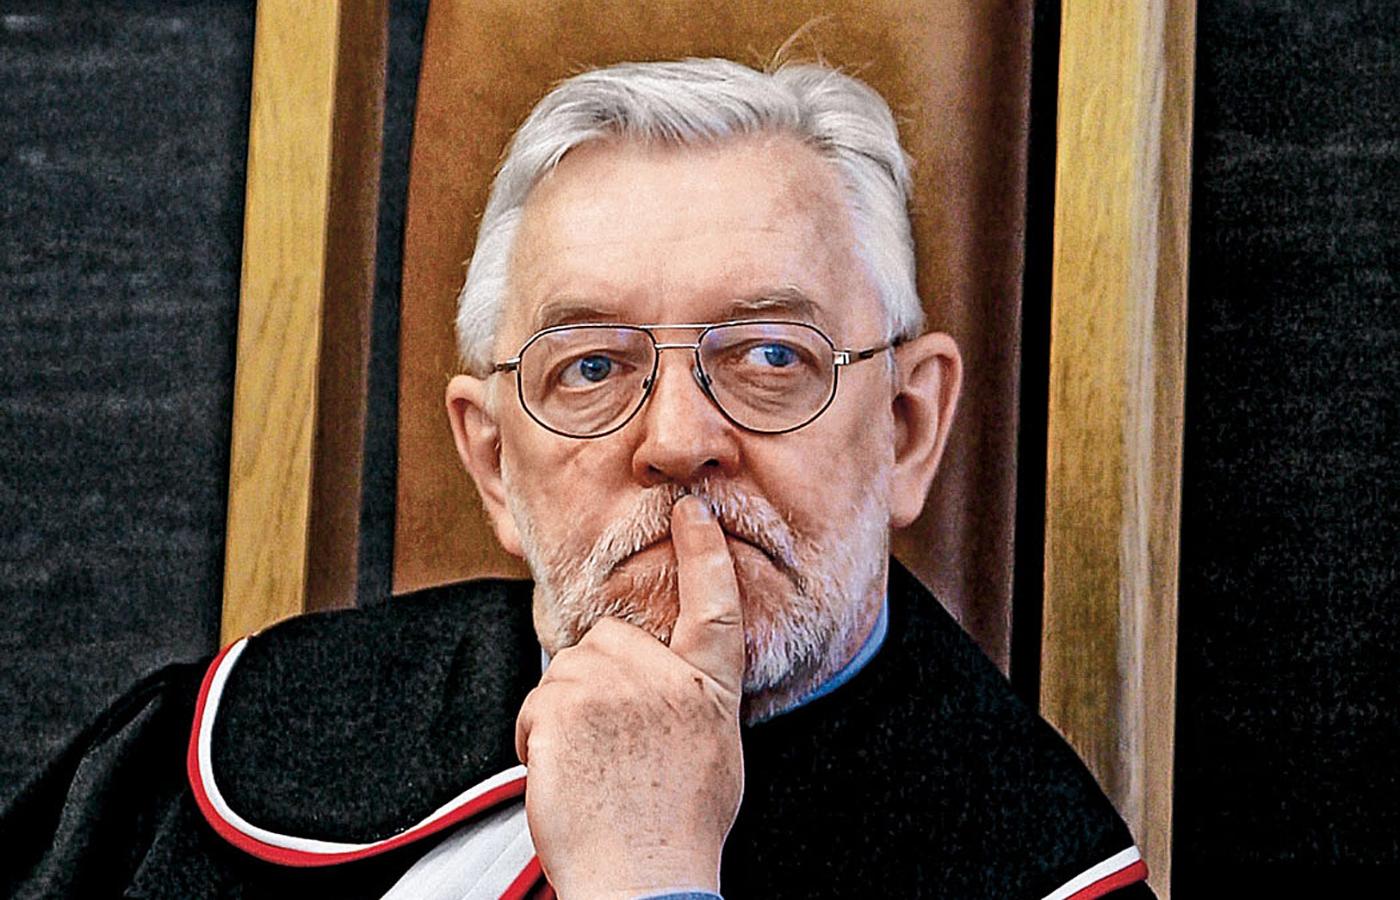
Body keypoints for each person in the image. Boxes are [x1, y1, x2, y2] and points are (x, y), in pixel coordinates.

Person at [1, 59, 1155, 899]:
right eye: (591, 367)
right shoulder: (195, 752)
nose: (678, 440)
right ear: (493, 461)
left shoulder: (1037, 873)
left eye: (768, 358)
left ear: (905, 429)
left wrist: (645, 879)